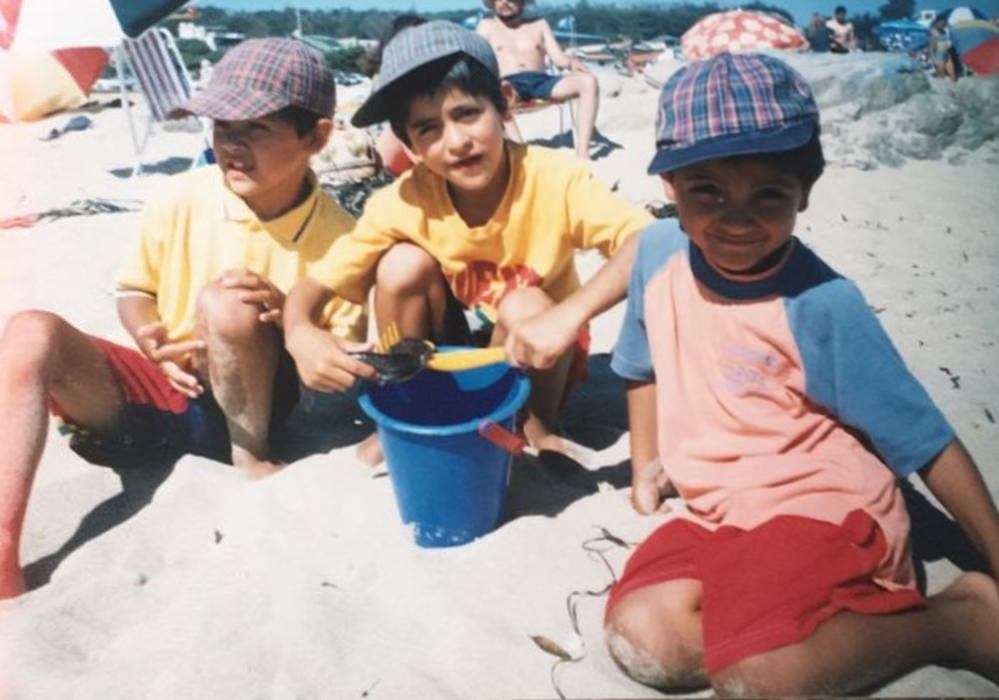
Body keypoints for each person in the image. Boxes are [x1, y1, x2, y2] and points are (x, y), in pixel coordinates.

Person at [603, 52, 999, 695]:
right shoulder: (656, 253)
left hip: (822, 509)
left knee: (760, 676)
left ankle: (957, 620)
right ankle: (802, 633)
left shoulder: (820, 304)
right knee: (645, 636)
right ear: (670, 184)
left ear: (804, 191)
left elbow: (925, 440)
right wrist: (644, 469)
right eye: (708, 192)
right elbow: (638, 363)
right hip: (718, 512)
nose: (736, 218)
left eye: (768, 194)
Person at [0, 38, 366, 600]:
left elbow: (330, 373)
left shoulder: (343, 240)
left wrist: (287, 317)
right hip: (164, 394)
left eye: (257, 128)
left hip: (255, 412)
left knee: (230, 298)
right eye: (222, 127)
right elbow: (135, 290)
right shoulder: (181, 196)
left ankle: (251, 458)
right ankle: (4, 547)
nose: (233, 145)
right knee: (31, 330)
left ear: (316, 137)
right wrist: (148, 336)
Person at [283, 21, 650, 462]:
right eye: (428, 128)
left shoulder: (553, 178)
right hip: (457, 351)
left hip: (539, 349)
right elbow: (314, 286)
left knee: (524, 302)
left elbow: (646, 239)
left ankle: (536, 428)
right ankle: (409, 405)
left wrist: (569, 315)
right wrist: (299, 332)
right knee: (401, 265)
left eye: (467, 113)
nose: (456, 142)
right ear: (409, 144)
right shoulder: (405, 199)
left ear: (505, 104)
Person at [477, 0, 599, 160]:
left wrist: (571, 63)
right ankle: (521, 153)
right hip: (507, 84)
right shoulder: (486, 26)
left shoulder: (539, 25)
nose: (505, 2)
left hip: (541, 81)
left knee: (588, 82)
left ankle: (582, 153)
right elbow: (475, 59)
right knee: (499, 95)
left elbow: (558, 59)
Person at [929, 14, 958, 81]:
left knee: (952, 71)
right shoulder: (933, 31)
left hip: (947, 53)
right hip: (939, 53)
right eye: (941, 23)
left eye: (944, 23)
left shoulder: (944, 31)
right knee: (941, 73)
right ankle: (941, 85)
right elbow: (932, 46)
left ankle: (954, 85)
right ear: (937, 22)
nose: (943, 24)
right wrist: (933, 58)